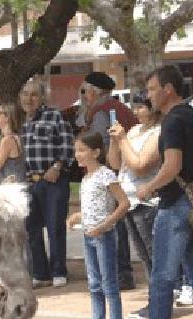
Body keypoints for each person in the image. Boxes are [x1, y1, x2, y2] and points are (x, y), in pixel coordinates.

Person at [117, 65, 193, 319]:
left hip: (174, 205)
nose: (148, 95)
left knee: (162, 277)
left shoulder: (173, 121)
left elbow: (173, 166)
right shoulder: (192, 115)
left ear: (168, 89)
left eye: (152, 89)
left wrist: (149, 188)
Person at [67, 132, 130, 319]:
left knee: (109, 286)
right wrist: (79, 216)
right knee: (94, 285)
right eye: (76, 151)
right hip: (88, 236)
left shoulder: (106, 175)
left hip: (104, 237)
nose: (78, 155)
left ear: (96, 152)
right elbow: (93, 208)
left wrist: (105, 226)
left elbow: (124, 204)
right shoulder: (86, 179)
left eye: (82, 151)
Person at [107, 89, 162, 319]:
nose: (136, 112)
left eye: (141, 107)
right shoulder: (134, 131)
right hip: (129, 201)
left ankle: (160, 302)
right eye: (135, 107)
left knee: (154, 255)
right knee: (143, 256)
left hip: (147, 202)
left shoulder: (159, 132)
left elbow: (139, 165)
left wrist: (122, 140)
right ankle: (154, 301)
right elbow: (116, 162)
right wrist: (115, 140)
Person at [81, 72, 139, 290]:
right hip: (127, 172)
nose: (84, 96)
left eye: (85, 91)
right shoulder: (118, 108)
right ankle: (122, 273)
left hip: (114, 173)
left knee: (115, 225)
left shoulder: (101, 113)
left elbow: (100, 148)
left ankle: (121, 274)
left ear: (94, 92)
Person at [19, 78, 76, 288]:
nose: (29, 98)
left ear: (42, 97)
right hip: (29, 182)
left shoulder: (54, 116)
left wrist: (57, 166)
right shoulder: (20, 122)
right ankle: (40, 273)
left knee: (55, 227)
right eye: (25, 94)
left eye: (34, 94)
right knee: (31, 229)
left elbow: (67, 145)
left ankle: (59, 271)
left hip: (53, 181)